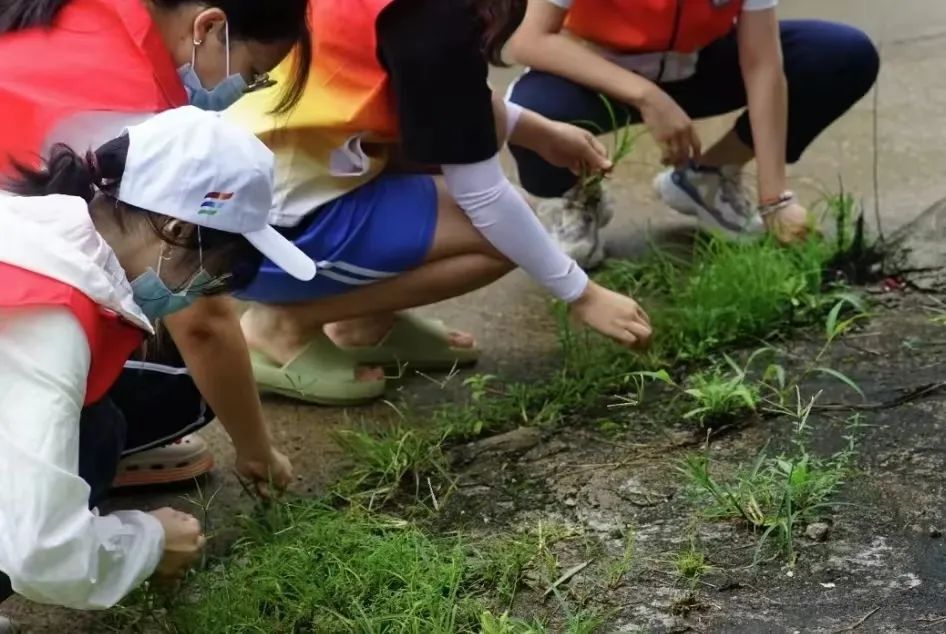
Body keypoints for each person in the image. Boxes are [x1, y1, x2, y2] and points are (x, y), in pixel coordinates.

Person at [227, 0, 654, 405]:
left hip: (249, 193)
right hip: (267, 236)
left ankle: (367, 322)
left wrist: (538, 131)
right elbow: (484, 198)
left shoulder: (417, 15)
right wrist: (583, 294)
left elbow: (441, 89)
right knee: (503, 235)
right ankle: (285, 326)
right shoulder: (436, 21)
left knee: (445, 152)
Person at [0, 107, 316, 612]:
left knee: (99, 423)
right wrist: (148, 542)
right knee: (93, 439)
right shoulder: (51, 323)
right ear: (176, 230)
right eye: (219, 272)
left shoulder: (36, 227)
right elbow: (42, 552)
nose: (208, 290)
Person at [0, 0, 310, 487]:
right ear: (210, 26)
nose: (242, 92)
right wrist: (258, 453)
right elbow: (204, 324)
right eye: (252, 75)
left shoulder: (84, 16)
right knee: (170, 397)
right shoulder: (125, 104)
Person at [505, 0, 880, 255]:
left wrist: (775, 200)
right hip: (598, 73)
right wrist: (647, 96)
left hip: (696, 65)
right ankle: (573, 195)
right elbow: (529, 40)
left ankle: (708, 177)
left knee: (843, 54)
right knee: (529, 112)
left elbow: (763, 64)